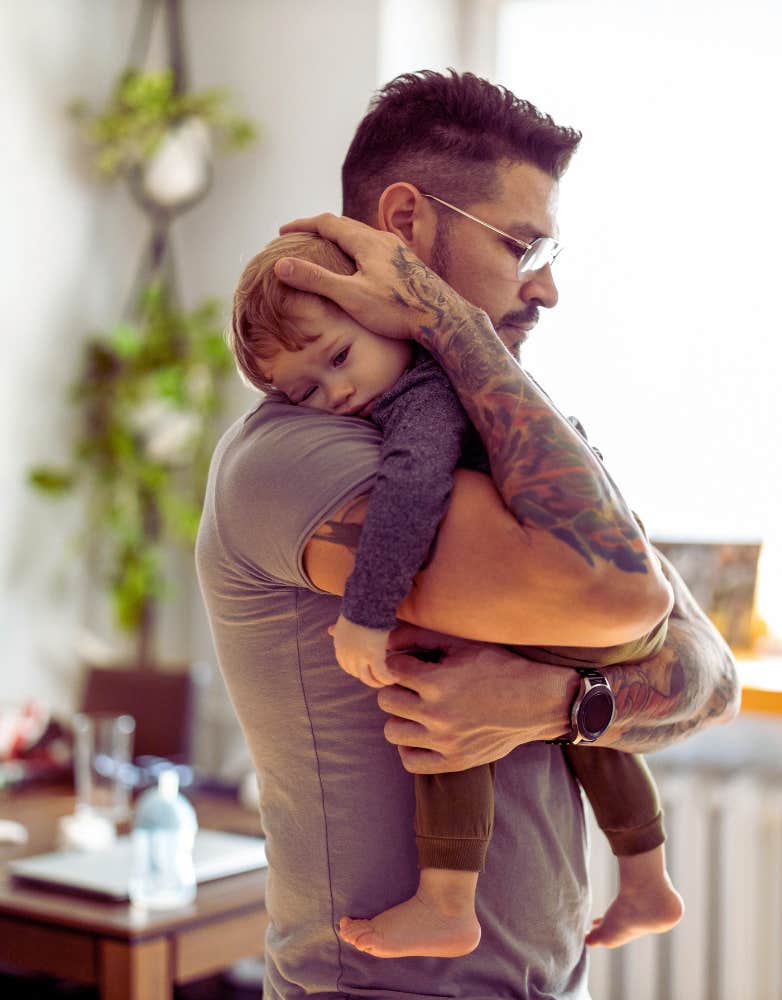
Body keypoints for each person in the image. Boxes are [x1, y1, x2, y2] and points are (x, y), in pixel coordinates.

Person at [196, 70, 740, 1000]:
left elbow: (713, 678)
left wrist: (560, 701)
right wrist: (449, 319)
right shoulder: (297, 455)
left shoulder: (519, 438)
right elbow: (623, 597)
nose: (550, 287)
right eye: (523, 245)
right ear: (405, 225)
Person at [228, 230, 684, 960]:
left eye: (340, 357)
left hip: (586, 592)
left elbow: (410, 493)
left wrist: (368, 615)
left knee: (436, 686)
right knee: (580, 729)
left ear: (385, 314)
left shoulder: (421, 398)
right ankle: (646, 879)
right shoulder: (449, 386)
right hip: (613, 612)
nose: (336, 392)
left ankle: (446, 901)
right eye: (307, 390)